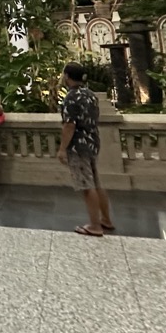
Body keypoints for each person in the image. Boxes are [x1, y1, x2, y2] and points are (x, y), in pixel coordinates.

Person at [59, 61, 113, 236]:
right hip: (92, 141)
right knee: (96, 182)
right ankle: (106, 219)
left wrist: (62, 149)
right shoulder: (90, 95)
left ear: (67, 76)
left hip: (78, 145)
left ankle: (95, 225)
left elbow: (70, 125)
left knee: (86, 184)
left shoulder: (71, 97)